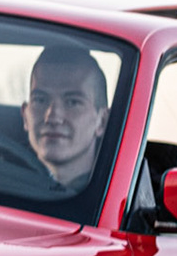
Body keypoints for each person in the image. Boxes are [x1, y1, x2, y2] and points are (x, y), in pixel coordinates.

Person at [21, 46, 110, 189]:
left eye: (72, 102)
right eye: (40, 100)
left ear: (102, 121)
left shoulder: (121, 194)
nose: (52, 117)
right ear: (25, 115)